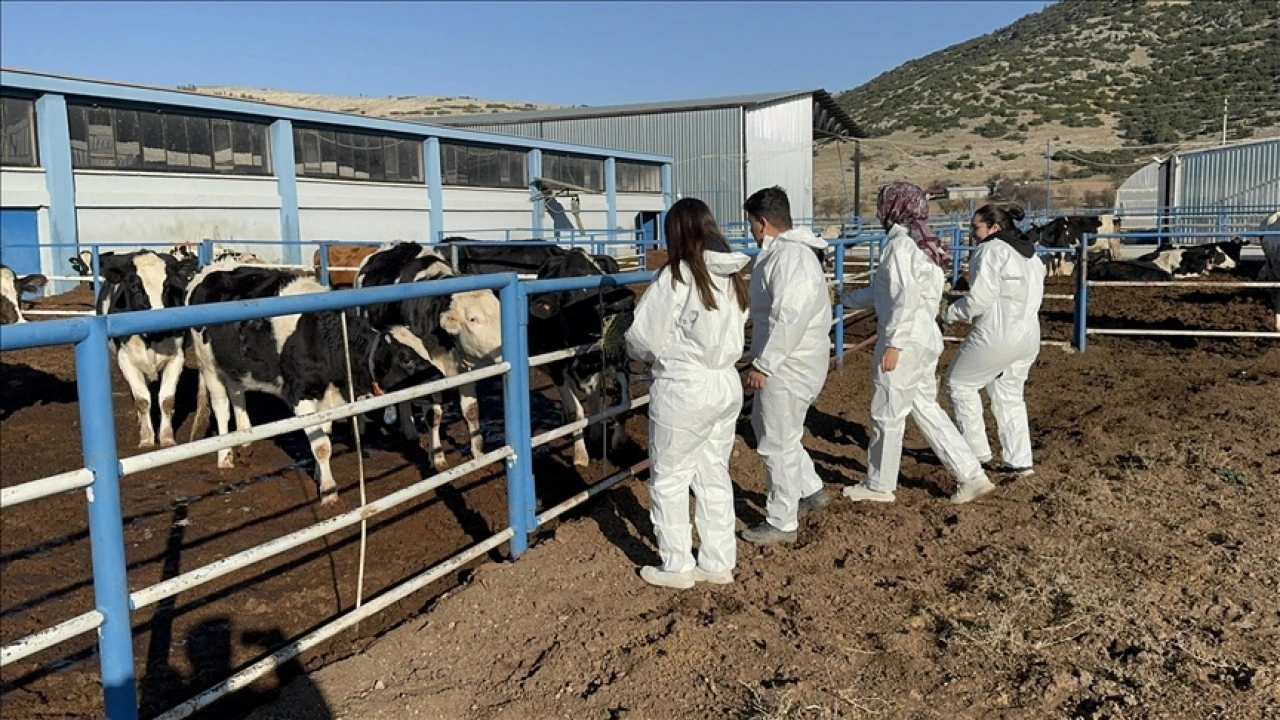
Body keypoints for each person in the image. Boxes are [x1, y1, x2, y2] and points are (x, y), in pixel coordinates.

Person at [840, 182, 995, 505]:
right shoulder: (925, 245)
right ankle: (971, 475)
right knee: (925, 406)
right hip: (925, 338)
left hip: (905, 340)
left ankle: (879, 484)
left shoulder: (899, 246)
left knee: (887, 411)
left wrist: (894, 343)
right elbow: (889, 292)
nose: (880, 212)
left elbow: (903, 297)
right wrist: (847, 298)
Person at [625, 197, 752, 589]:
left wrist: (636, 350)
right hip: (725, 382)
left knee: (670, 477)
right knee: (713, 471)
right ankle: (717, 561)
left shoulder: (679, 275)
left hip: (685, 386)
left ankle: (676, 564)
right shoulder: (730, 276)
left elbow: (643, 337)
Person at [740, 186, 833, 545]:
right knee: (774, 428)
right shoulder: (789, 254)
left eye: (751, 223)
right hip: (796, 359)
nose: (750, 230)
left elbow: (788, 317)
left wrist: (764, 364)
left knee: (775, 442)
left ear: (762, 223)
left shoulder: (790, 258)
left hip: (789, 363)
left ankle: (781, 520)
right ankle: (810, 489)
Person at [943, 203, 1046, 476]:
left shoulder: (989, 250)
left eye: (976, 227)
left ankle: (976, 453)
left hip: (997, 333)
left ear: (994, 227)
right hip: (1029, 334)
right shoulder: (1031, 255)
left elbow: (979, 300)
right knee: (1009, 395)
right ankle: (1020, 460)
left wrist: (949, 313)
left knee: (959, 384)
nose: (972, 233)